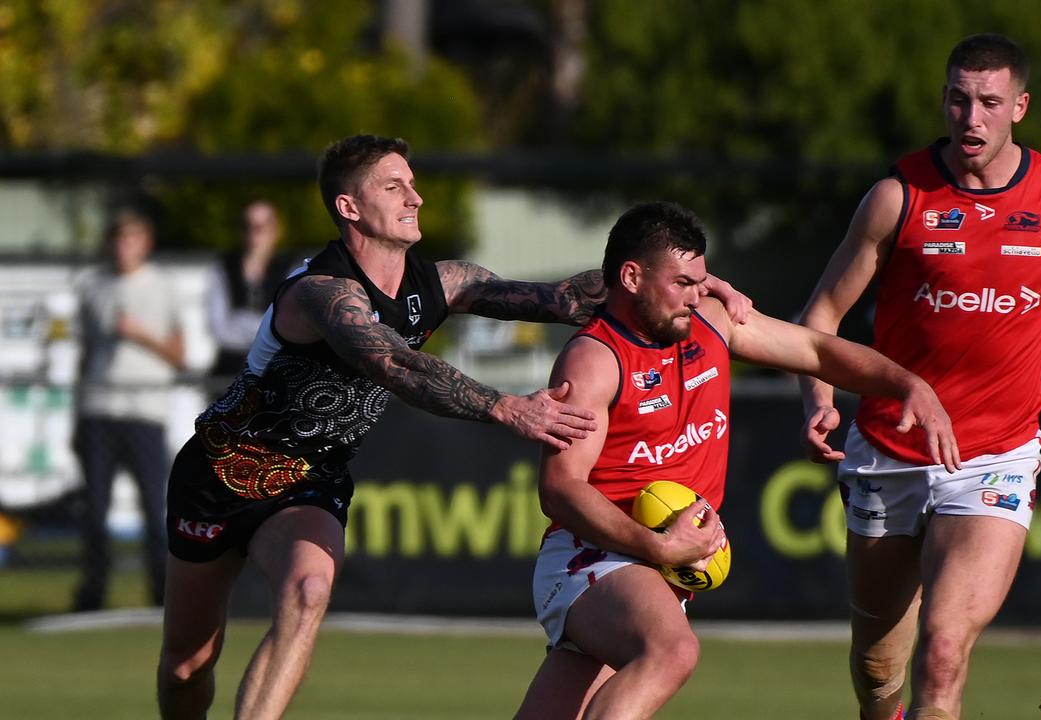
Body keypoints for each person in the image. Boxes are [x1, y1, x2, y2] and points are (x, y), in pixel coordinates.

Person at [154, 135, 750, 720]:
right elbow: (396, 364)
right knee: (187, 665)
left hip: (310, 483)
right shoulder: (320, 292)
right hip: (220, 475)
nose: (415, 197)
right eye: (394, 186)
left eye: (413, 184)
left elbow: (565, 299)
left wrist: (684, 282)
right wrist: (506, 406)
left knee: (309, 590)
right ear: (349, 208)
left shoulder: (443, 280)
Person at [796, 34, 1041, 720]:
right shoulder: (897, 197)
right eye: (959, 100)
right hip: (888, 447)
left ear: (1019, 106)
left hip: (996, 454)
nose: (972, 118)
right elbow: (822, 312)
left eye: (990, 102)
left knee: (944, 650)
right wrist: (818, 395)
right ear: (944, 100)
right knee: (878, 668)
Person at [514, 201, 959, 720]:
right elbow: (560, 487)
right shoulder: (593, 359)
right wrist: (659, 544)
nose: (696, 294)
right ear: (631, 277)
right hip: (592, 557)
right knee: (672, 651)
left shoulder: (709, 320)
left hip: (656, 565)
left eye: (702, 280)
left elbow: (816, 351)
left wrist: (907, 383)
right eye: (682, 282)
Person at [72, 208, 185, 612]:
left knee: (153, 507)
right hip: (99, 407)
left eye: (132, 238)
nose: (124, 247)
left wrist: (141, 335)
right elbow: (84, 355)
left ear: (146, 243)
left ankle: (161, 593)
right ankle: (92, 594)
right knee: (95, 509)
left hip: (144, 410)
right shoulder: (92, 287)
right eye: (118, 238)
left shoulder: (162, 287)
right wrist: (75, 414)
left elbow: (178, 353)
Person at [206, 200, 294, 379]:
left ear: (275, 229)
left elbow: (288, 325)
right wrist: (263, 329)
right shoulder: (224, 267)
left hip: (276, 370)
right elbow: (219, 327)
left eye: (263, 226)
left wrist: (240, 320)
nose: (256, 233)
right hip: (230, 371)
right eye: (249, 226)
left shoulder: (290, 268)